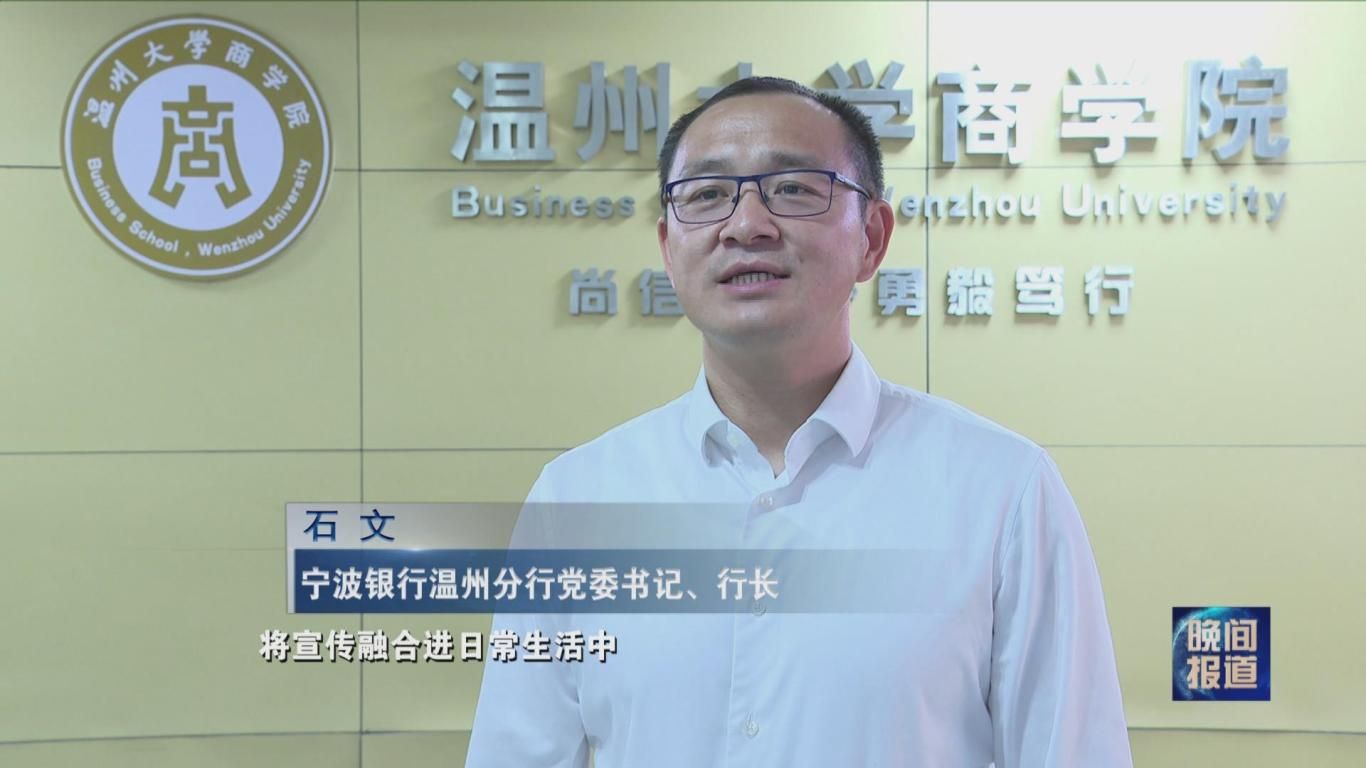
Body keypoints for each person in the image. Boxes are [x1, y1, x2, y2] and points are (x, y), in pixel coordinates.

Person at [466, 76, 1133, 768]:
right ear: (668, 247)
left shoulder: (1002, 491)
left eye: (792, 188)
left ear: (871, 237)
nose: (746, 225)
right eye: (707, 194)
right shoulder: (577, 498)